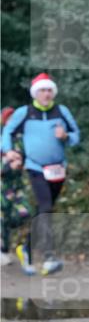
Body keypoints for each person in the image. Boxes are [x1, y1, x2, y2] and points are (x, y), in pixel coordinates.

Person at [1, 74, 80, 275]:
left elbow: (76, 135)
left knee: (44, 211)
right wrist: (9, 151)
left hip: (58, 169)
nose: (46, 93)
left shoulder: (61, 111)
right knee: (45, 207)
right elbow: (7, 132)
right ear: (35, 93)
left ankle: (25, 249)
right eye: (42, 90)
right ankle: (48, 257)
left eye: (49, 90)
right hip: (35, 168)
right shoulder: (25, 112)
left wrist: (66, 136)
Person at [1, 106, 31, 266]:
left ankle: (20, 246)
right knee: (2, 218)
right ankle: (2, 251)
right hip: (2, 187)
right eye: (9, 118)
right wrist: (7, 167)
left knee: (25, 213)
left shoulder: (22, 140)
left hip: (18, 187)